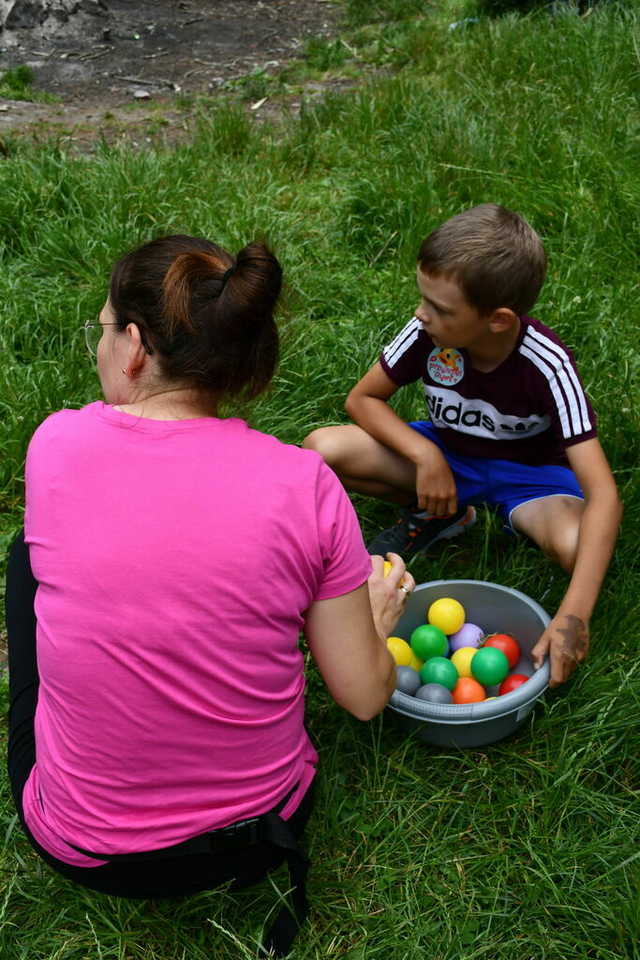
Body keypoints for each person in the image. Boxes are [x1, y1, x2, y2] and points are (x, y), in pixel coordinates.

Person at [5, 234, 415, 957]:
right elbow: (364, 695)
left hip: (81, 843)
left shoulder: (56, 447)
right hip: (260, 836)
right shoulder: (306, 486)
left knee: (24, 558)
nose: (100, 345)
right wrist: (375, 625)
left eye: (102, 328)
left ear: (133, 347)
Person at [303, 204, 622, 688]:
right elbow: (362, 399)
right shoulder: (429, 333)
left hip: (530, 480)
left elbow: (606, 497)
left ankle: (495, 515)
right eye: (423, 299)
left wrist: (572, 616)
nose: (420, 314)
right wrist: (426, 455)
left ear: (496, 320)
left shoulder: (548, 364)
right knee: (322, 449)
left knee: (583, 546)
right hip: (448, 457)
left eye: (440, 308)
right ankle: (449, 513)